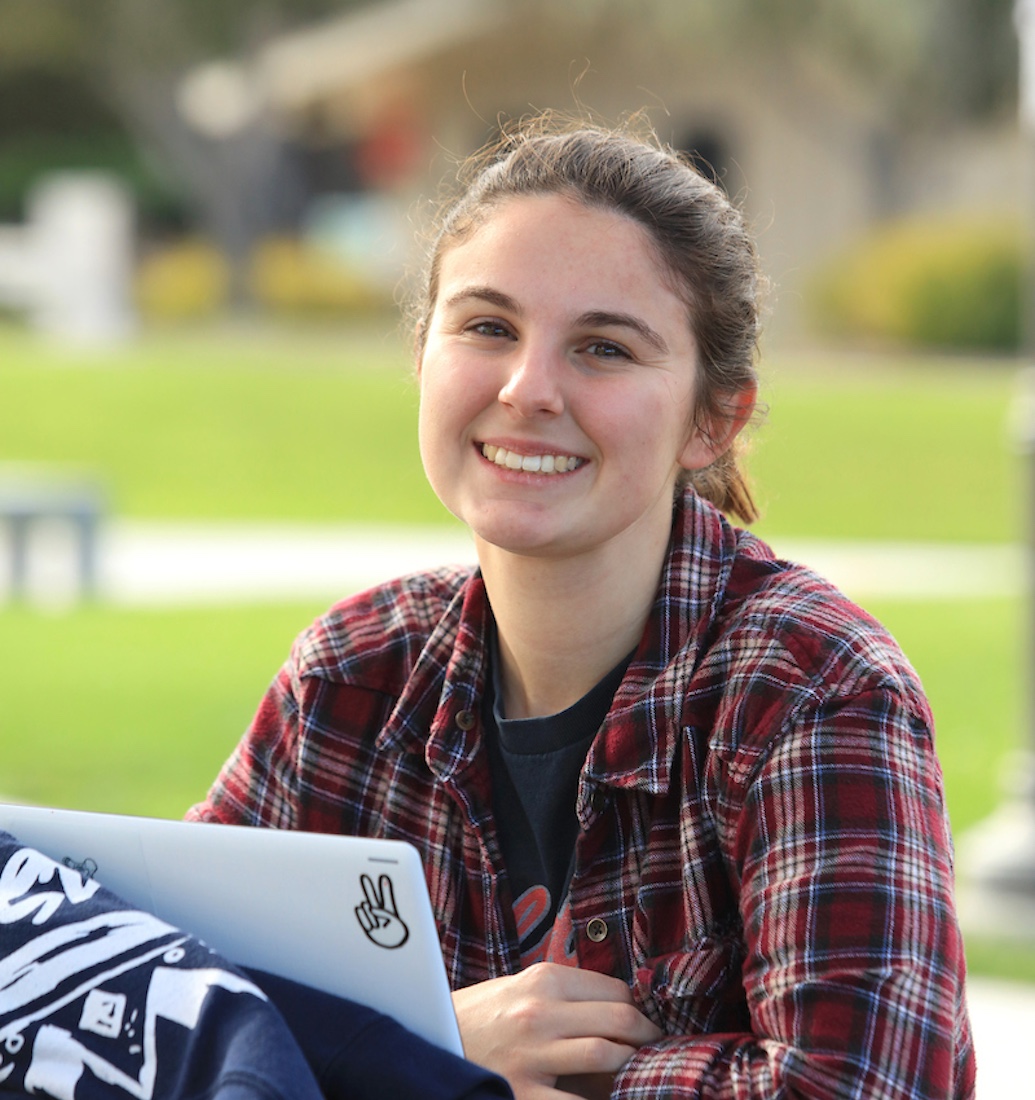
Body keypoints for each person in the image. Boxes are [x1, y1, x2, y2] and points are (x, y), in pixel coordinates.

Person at [189, 113, 976, 1099]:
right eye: (487, 327)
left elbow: (861, 1086)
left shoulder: (813, 687)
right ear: (423, 357)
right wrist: (436, 1037)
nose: (528, 388)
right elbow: (154, 982)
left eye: (603, 348)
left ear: (710, 418)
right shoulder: (351, 672)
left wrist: (416, 1062)